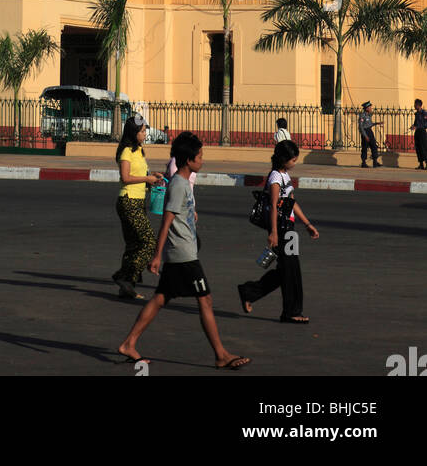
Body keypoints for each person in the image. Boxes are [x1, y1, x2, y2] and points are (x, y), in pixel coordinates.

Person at [117, 131, 250, 370]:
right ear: (189, 160)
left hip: (182, 253)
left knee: (160, 298)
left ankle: (129, 343)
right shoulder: (178, 184)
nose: (202, 160)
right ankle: (220, 354)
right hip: (183, 255)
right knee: (205, 299)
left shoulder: (182, 182)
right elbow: (166, 220)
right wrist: (157, 255)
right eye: (199, 156)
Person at [237, 139, 319, 323]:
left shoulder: (285, 176)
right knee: (289, 270)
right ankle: (290, 312)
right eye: (293, 160)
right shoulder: (275, 177)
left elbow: (292, 203)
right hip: (281, 229)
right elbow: (273, 206)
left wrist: (307, 224)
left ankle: (249, 292)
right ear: (283, 159)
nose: (294, 163)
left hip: (290, 229)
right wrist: (273, 232)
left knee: (289, 270)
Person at [111, 116, 165, 300]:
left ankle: (126, 288)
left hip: (138, 201)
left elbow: (140, 174)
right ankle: (123, 276)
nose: (144, 134)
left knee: (134, 244)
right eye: (142, 131)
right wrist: (146, 179)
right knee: (149, 242)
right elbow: (125, 178)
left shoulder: (139, 150)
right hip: (129, 201)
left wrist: (152, 177)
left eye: (144, 130)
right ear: (133, 133)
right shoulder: (126, 151)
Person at [358, 102, 381, 168]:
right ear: (366, 108)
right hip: (365, 132)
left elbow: (370, 124)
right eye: (370, 107)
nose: (371, 108)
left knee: (374, 146)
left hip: (370, 131)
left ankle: (375, 162)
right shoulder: (362, 116)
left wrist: (377, 123)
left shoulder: (369, 115)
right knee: (364, 147)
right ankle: (364, 163)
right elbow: (361, 127)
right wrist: (365, 136)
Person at [410, 99, 427, 170]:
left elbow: (425, 124)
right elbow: (416, 122)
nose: (414, 106)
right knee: (418, 148)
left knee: (424, 148)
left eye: (415, 104)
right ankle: (421, 164)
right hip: (417, 132)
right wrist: (413, 126)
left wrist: (417, 126)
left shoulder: (424, 113)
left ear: (418, 105)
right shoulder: (416, 114)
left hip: (422, 132)